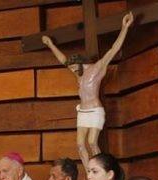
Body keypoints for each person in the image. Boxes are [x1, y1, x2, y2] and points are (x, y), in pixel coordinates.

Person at [41, 12, 134, 169]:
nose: (71, 70)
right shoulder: (78, 73)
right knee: (79, 145)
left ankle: (101, 171)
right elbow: (63, 59)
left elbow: (113, 49)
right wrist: (50, 44)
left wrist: (124, 27)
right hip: (83, 112)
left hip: (95, 110)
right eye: (70, 68)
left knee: (92, 142)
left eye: (73, 67)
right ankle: (89, 174)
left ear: (79, 63)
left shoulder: (96, 68)